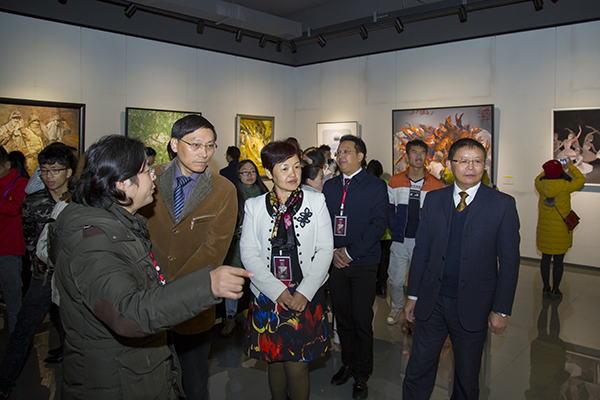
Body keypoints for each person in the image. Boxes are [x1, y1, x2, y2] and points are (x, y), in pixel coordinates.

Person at [48, 135, 251, 400]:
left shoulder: (122, 224)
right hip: (115, 381)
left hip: (136, 370)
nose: (154, 176)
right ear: (122, 183)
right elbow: (128, 313)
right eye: (145, 171)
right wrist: (207, 285)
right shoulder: (94, 241)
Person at [402, 138, 521, 400]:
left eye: (477, 161)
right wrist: (413, 295)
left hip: (474, 304)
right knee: (419, 367)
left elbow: (510, 262)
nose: (470, 167)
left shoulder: (502, 204)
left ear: (485, 165)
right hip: (432, 301)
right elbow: (422, 250)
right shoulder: (434, 200)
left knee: (467, 377)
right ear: (449, 165)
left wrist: (501, 309)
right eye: (463, 161)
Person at [140, 115, 238, 400]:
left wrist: (173, 291)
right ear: (174, 144)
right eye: (195, 144)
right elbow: (135, 232)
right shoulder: (149, 177)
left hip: (193, 301)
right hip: (145, 299)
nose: (204, 153)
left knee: (193, 383)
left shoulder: (223, 190)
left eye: (210, 146)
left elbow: (215, 249)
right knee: (151, 383)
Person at [240, 140, 333, 400]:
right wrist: (277, 291)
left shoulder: (316, 201)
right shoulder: (254, 206)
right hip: (269, 294)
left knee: (297, 365)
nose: (293, 174)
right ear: (268, 173)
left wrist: (304, 292)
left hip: (305, 293)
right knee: (274, 362)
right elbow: (249, 253)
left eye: (296, 167)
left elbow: (325, 249)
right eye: (284, 168)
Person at [0, 143, 76, 398]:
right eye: (44, 170)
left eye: (55, 170)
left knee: (73, 334)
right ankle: (4, 383)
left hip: (72, 278)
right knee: (22, 331)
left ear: (68, 172)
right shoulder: (33, 202)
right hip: (44, 277)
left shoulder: (80, 201)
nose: (49, 176)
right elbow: (31, 242)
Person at [322, 135, 388, 400]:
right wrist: (332, 253)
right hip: (335, 263)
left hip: (363, 262)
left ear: (360, 156)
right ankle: (348, 364)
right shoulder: (330, 186)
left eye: (346, 151)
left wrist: (349, 252)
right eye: (338, 152)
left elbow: (378, 225)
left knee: (361, 320)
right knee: (342, 318)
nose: (340, 156)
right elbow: (323, 223)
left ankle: (362, 373)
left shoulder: (375, 186)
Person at [386, 140, 443, 325]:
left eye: (422, 152)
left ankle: (417, 310)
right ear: (407, 155)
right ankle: (397, 307)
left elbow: (438, 215)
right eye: (414, 152)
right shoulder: (395, 181)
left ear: (427, 156)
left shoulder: (435, 184)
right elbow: (388, 209)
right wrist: (394, 227)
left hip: (424, 243)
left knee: (422, 280)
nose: (418, 156)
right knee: (395, 281)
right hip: (400, 240)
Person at [220, 159, 268, 338]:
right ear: (238, 175)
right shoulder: (232, 193)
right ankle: (230, 317)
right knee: (233, 281)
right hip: (237, 244)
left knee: (260, 279)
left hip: (260, 245)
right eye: (245, 172)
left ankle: (259, 315)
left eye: (252, 172)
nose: (249, 175)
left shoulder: (265, 193)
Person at [535, 158, 585, 299]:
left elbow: (538, 177)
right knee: (558, 261)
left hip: (544, 230)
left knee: (545, 259)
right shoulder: (565, 186)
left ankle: (545, 287)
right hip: (561, 230)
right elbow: (581, 180)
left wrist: (549, 169)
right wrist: (571, 166)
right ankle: (555, 289)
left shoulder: (540, 184)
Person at [0, 145, 28, 335]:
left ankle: (15, 344)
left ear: (7, 165)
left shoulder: (21, 183)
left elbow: (13, 209)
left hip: (9, 250)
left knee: (12, 303)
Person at [365, 159, 393, 299]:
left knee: (371, 260)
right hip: (386, 231)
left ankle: (370, 286)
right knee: (384, 260)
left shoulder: (366, 185)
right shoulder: (387, 183)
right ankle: (382, 287)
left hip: (370, 230)